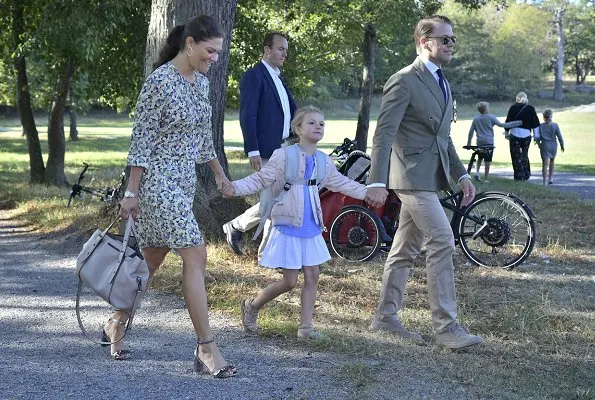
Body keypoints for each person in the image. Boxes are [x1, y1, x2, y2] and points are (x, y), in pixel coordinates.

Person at [114, 15, 237, 378]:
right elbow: (141, 142)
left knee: (150, 262)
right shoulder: (159, 82)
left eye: (218, 52)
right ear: (190, 44)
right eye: (210, 50)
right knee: (196, 254)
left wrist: (219, 174)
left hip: (183, 184)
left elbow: (202, 139)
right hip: (157, 184)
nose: (214, 58)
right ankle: (206, 347)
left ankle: (116, 323)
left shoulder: (200, 85)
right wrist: (131, 192)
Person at [365, 15, 483, 349]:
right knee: (444, 239)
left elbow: (442, 138)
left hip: (431, 177)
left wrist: (461, 175)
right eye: (443, 39)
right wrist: (376, 181)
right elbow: (384, 133)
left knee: (404, 249)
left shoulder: (442, 82)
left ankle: (385, 318)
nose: (450, 44)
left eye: (452, 39)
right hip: (409, 176)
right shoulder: (404, 80)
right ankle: (446, 327)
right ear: (423, 42)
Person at [222, 106, 373, 339]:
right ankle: (252, 305)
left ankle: (306, 328)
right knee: (289, 281)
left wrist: (368, 192)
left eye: (321, 123)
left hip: (311, 223)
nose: (318, 127)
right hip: (289, 222)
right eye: (312, 123)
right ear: (298, 129)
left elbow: (341, 183)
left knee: (313, 275)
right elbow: (262, 178)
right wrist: (236, 187)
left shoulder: (323, 160)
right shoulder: (284, 155)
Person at [222, 32, 297, 256]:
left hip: (285, 148)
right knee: (271, 203)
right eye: (281, 48)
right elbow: (248, 115)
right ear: (267, 50)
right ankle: (264, 252)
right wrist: (253, 149)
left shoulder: (278, 77)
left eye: (286, 49)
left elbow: (289, 112)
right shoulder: (254, 77)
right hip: (265, 151)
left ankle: (237, 227)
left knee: (276, 201)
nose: (285, 53)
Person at [467, 101, 522, 183]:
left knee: (480, 157)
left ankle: (477, 173)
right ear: (486, 109)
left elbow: (471, 132)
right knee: (487, 161)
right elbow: (502, 125)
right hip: (489, 142)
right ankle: (486, 178)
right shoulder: (491, 117)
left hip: (480, 141)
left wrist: (469, 143)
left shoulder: (476, 119)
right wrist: (516, 123)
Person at [504, 92, 540, 181]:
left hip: (515, 134)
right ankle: (526, 174)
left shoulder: (513, 108)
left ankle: (518, 175)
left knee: (515, 156)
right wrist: (536, 136)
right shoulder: (530, 109)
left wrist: (506, 133)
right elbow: (535, 123)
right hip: (526, 135)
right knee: (524, 154)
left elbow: (508, 121)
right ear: (526, 99)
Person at [534, 109, 565, 185]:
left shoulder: (540, 126)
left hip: (544, 145)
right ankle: (550, 178)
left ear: (544, 117)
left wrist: (538, 144)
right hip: (553, 145)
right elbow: (559, 136)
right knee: (552, 161)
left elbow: (537, 137)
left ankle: (544, 180)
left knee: (545, 163)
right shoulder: (555, 125)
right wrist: (562, 145)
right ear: (551, 116)